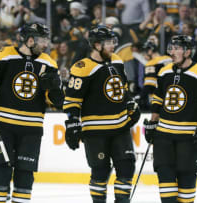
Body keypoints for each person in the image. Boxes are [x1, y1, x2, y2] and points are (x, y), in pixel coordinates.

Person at [0, 23, 63, 203]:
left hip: (31, 128)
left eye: (46, 40)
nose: (46, 44)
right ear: (29, 40)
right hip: (2, 125)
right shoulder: (4, 55)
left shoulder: (49, 63)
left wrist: (55, 89)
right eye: (42, 40)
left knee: (25, 177)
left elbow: (56, 102)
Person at [63, 26, 140, 203]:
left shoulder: (118, 61)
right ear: (96, 45)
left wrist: (130, 104)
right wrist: (73, 123)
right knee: (100, 172)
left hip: (121, 126)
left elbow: (123, 89)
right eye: (108, 43)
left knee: (127, 167)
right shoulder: (82, 67)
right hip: (95, 130)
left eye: (113, 41)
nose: (113, 46)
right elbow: (72, 100)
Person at [144, 35, 197, 203]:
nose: (172, 52)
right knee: (165, 179)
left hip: (189, 137)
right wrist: (152, 122)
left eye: (177, 48)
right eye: (171, 48)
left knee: (186, 184)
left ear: (187, 51)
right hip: (163, 135)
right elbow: (158, 100)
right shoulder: (164, 71)